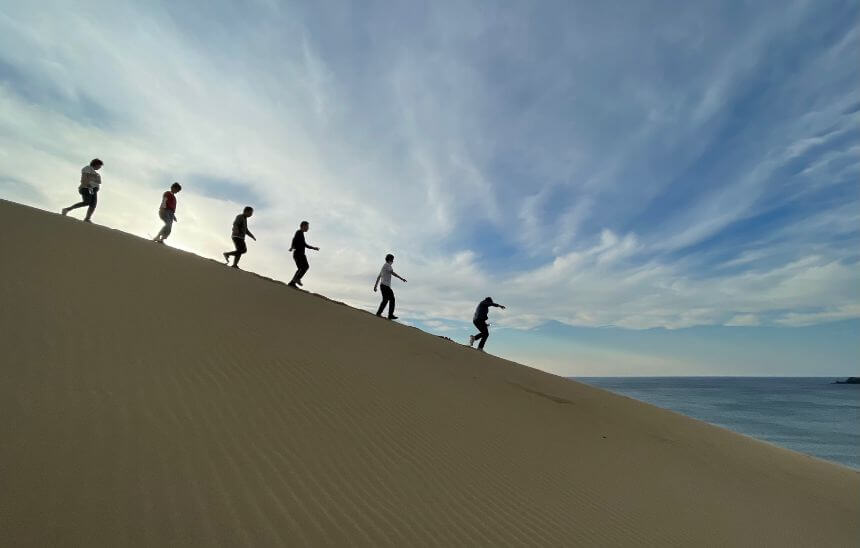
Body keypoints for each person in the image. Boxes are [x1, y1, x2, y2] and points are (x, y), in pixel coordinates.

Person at [373, 254, 407, 320]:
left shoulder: (383, 266)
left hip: (382, 286)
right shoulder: (388, 265)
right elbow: (393, 273)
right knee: (392, 299)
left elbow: (378, 277)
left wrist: (375, 286)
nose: (393, 261)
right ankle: (390, 315)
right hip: (385, 286)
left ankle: (379, 313)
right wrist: (401, 278)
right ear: (390, 259)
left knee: (385, 300)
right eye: (392, 260)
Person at [287, 221, 318, 287]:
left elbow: (304, 244)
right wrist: (292, 246)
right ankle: (297, 279)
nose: (308, 228)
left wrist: (313, 248)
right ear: (303, 226)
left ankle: (292, 283)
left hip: (299, 254)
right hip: (298, 254)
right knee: (304, 267)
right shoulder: (299, 232)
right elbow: (294, 239)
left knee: (301, 268)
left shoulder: (301, 234)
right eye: (307, 226)